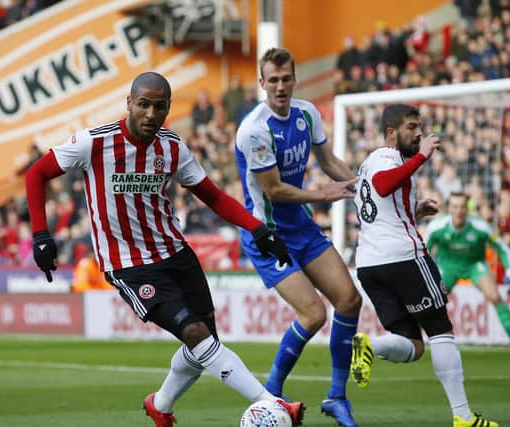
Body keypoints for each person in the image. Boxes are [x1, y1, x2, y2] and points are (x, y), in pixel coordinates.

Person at [25, 71, 304, 427]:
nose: (150, 114)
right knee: (195, 335)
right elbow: (36, 174)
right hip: (128, 264)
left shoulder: (172, 148)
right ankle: (273, 404)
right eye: (143, 104)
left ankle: (161, 405)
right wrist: (40, 234)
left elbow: (213, 196)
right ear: (129, 103)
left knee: (204, 343)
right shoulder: (94, 143)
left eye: (159, 106)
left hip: (175, 253)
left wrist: (257, 228)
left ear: (168, 108)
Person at [235, 47, 363, 427]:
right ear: (262, 83)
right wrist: (324, 195)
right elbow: (274, 190)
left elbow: (328, 161)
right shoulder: (254, 130)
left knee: (349, 299)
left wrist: (359, 184)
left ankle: (337, 397)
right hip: (267, 233)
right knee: (313, 313)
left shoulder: (308, 113)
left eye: (285, 78)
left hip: (302, 227)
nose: (280, 86)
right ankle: (271, 392)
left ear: (294, 79)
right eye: (272, 80)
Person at [350, 104, 498, 427]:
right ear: (392, 133)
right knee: (440, 330)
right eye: (411, 127)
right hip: (404, 258)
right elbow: (384, 186)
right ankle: (463, 417)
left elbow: (379, 208)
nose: (419, 133)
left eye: (420, 127)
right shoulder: (391, 159)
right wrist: (423, 156)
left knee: (413, 345)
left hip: (369, 265)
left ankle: (369, 345)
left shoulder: (367, 163)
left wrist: (413, 209)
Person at [425, 192, 510, 361]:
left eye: (462, 207)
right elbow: (421, 251)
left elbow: (502, 248)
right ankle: (411, 339)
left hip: (475, 265)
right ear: (449, 208)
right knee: (429, 301)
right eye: (455, 206)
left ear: (468, 208)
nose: (459, 211)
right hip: (447, 266)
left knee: (495, 296)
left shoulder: (481, 227)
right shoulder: (436, 227)